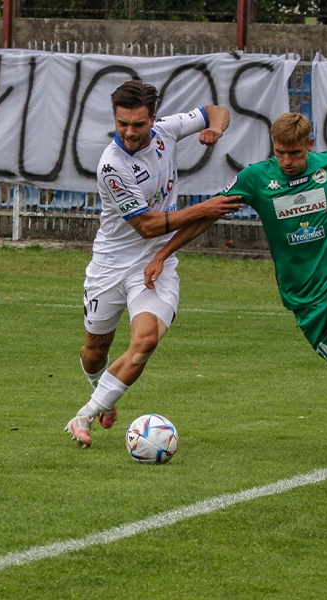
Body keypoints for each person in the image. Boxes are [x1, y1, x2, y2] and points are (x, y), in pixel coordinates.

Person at [145, 112, 327, 461]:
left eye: (295, 153)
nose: (286, 160)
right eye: (280, 152)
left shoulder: (325, 165)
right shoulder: (256, 179)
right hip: (302, 298)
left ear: (309, 146)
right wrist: (163, 252)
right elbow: (208, 215)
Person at [65, 79, 242, 448]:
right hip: (111, 265)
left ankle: (85, 415)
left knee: (145, 340)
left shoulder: (167, 131)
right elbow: (145, 225)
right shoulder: (112, 166)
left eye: (138, 125)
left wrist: (215, 128)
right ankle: (103, 393)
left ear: (153, 120)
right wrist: (205, 208)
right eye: (122, 124)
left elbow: (215, 109)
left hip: (156, 264)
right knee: (95, 349)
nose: (129, 132)